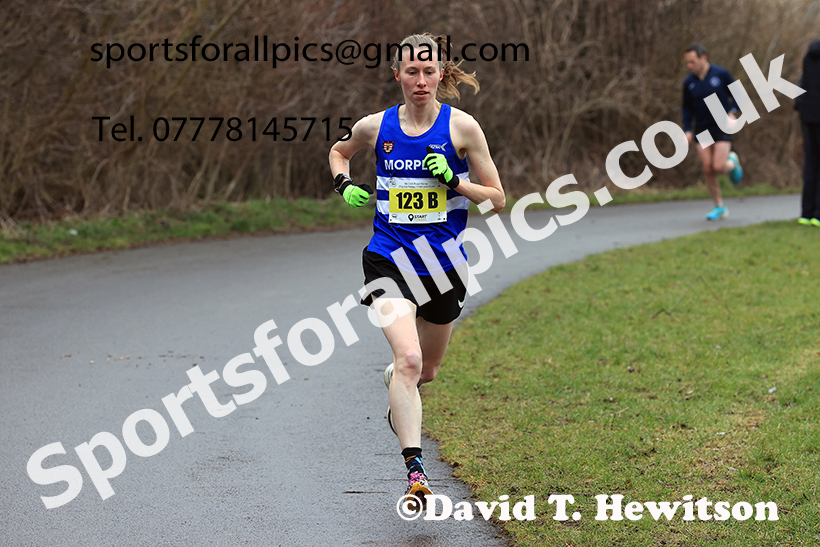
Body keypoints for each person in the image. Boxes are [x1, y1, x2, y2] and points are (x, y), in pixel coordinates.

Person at [328, 33, 505, 512]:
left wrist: (455, 180)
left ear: (441, 75)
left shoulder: (463, 128)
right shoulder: (376, 125)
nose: (421, 81)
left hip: (443, 267)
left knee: (426, 370)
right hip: (388, 259)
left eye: (429, 72)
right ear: (397, 75)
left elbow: (498, 197)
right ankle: (416, 473)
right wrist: (344, 185)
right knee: (408, 360)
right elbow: (338, 151)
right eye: (412, 72)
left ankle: (400, 381)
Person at [682, 43, 744, 220]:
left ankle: (732, 162)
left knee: (718, 166)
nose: (690, 66)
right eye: (688, 63)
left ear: (704, 58)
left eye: (693, 62)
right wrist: (687, 129)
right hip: (701, 129)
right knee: (707, 168)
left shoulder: (720, 74)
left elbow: (739, 96)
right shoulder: (689, 82)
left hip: (721, 126)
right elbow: (686, 108)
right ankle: (719, 206)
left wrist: (732, 112)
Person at [795, 39, 820, 226]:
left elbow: (802, 85)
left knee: (811, 163)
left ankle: (806, 213)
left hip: (808, 117)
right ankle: (818, 214)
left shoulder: (809, 56)